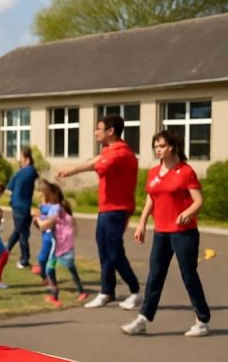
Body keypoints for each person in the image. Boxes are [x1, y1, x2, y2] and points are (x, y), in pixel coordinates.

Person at [121, 130, 210, 337]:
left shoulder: (185, 171)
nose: (158, 150)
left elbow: (198, 201)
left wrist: (188, 213)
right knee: (155, 276)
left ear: (172, 147)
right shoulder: (153, 173)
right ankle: (143, 319)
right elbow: (151, 199)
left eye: (161, 146)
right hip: (161, 233)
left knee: (189, 276)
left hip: (184, 233)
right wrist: (142, 223)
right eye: (156, 146)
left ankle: (202, 319)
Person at [59, 114, 140, 309]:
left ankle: (135, 290)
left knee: (114, 252)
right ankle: (107, 292)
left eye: (99, 128)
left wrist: (79, 168)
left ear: (111, 131)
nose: (95, 132)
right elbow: (93, 161)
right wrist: (69, 171)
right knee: (104, 251)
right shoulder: (109, 150)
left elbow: (97, 164)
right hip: (106, 208)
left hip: (117, 209)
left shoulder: (120, 153)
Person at [36, 179, 88, 306]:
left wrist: (37, 219)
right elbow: (72, 222)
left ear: (49, 195)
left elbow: (45, 225)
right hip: (67, 245)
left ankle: (55, 296)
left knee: (49, 269)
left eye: (42, 194)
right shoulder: (63, 206)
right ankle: (81, 291)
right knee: (70, 267)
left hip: (58, 246)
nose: (41, 197)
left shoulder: (55, 208)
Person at [5, 146, 38, 269]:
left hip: (17, 206)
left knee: (20, 232)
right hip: (23, 207)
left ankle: (8, 252)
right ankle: (22, 259)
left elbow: (8, 189)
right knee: (22, 233)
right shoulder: (31, 171)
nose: (19, 160)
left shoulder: (19, 173)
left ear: (27, 159)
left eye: (21, 157)